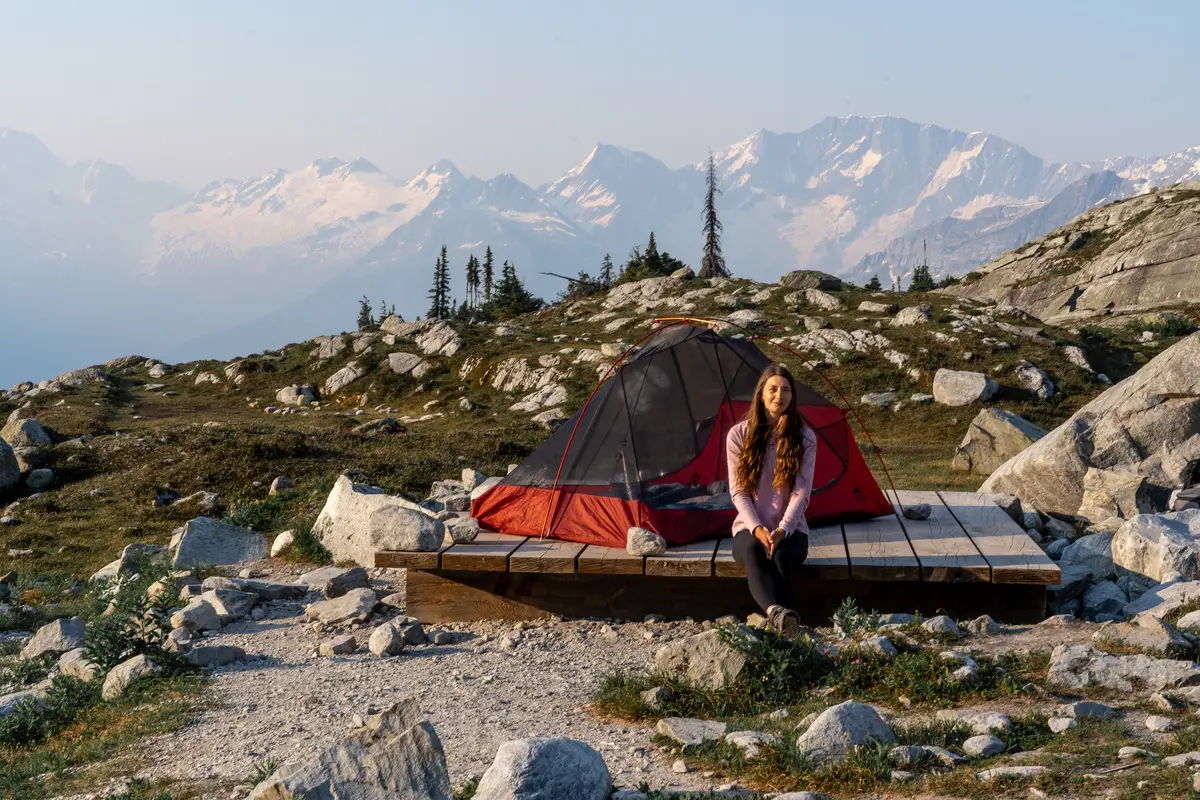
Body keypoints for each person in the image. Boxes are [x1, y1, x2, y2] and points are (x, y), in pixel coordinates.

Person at [725, 363, 818, 635]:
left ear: (792, 396)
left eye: (786, 390)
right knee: (754, 551)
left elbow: (802, 491)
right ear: (761, 395)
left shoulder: (804, 437)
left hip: (791, 529)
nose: (780, 396)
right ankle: (780, 617)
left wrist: (783, 529)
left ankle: (780, 624)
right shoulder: (739, 435)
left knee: (781, 556)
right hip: (749, 527)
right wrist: (757, 528)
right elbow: (738, 491)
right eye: (773, 389)